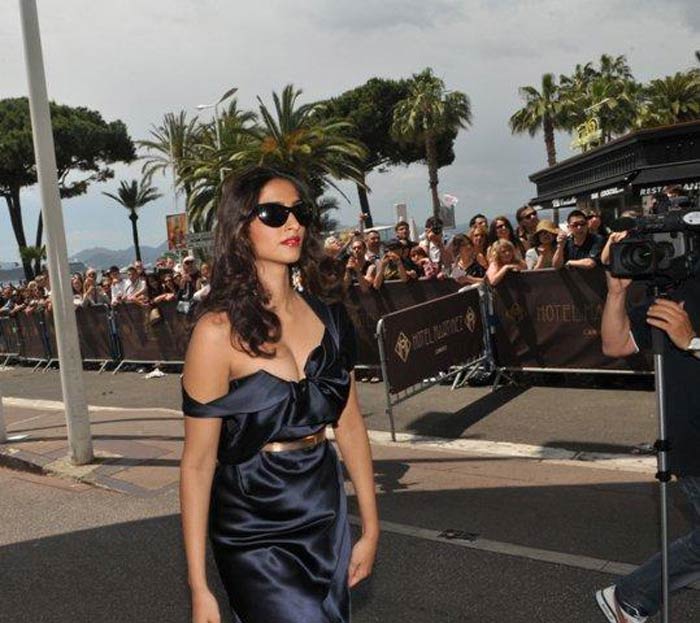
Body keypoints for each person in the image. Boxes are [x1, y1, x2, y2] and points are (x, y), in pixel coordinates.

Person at [180, 166, 378, 623]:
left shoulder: (330, 317)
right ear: (240, 228)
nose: (292, 224)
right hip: (253, 524)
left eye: (299, 212)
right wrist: (198, 585)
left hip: (323, 507)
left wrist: (370, 526)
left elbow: (349, 425)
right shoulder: (216, 333)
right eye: (273, 213)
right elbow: (196, 463)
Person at [595, 232, 700, 623]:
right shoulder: (676, 292)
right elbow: (615, 343)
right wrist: (617, 291)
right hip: (693, 442)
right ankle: (630, 597)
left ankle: (631, 596)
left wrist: (693, 342)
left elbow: (691, 341)